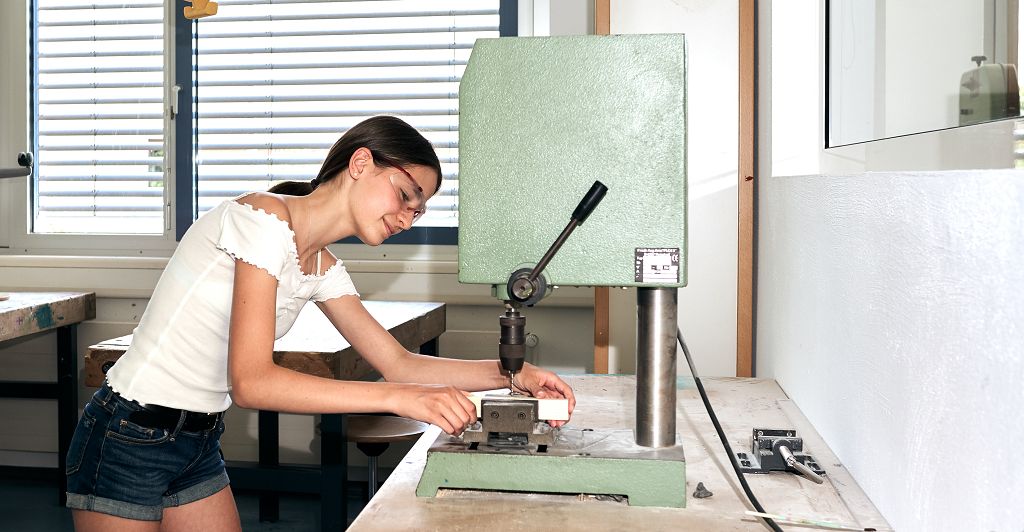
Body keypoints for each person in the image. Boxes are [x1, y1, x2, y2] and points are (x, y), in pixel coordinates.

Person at [65, 115, 576, 531]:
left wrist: (514, 375)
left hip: (196, 440)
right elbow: (251, 381)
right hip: (127, 434)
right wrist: (397, 398)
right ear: (360, 163)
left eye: (419, 211)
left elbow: (397, 363)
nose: (407, 217)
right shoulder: (263, 221)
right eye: (406, 194)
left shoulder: (320, 265)